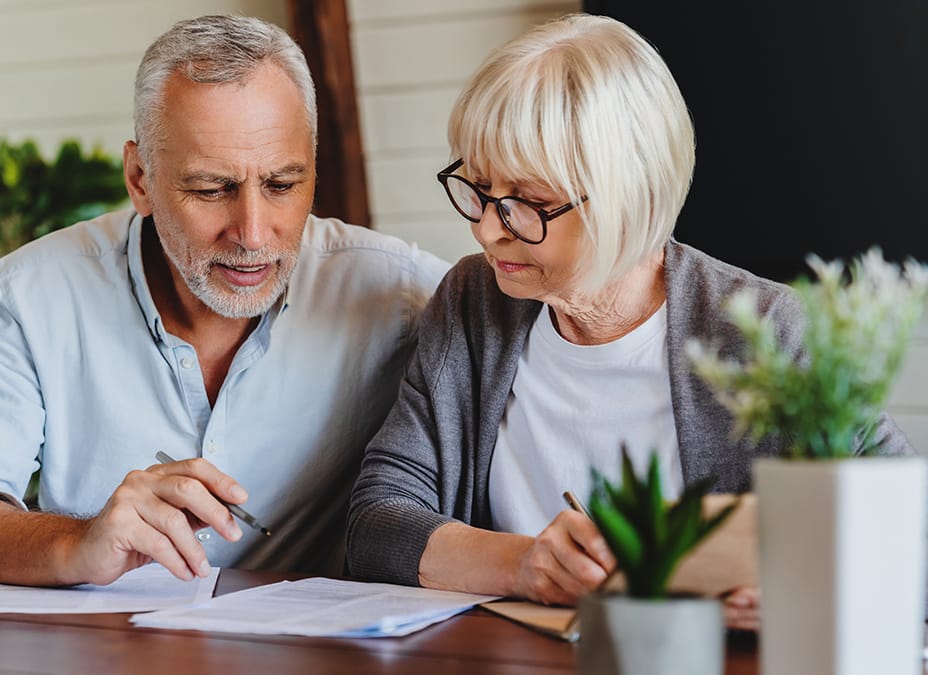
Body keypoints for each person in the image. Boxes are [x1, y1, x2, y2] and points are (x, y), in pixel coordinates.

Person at [345, 13, 913, 632]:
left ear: (627, 194)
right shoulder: (472, 303)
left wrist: (807, 590)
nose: (486, 228)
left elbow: (908, 534)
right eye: (479, 188)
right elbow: (378, 520)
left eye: (527, 203)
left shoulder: (769, 333)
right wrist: (524, 563)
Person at [0, 14, 448, 586]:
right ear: (140, 178)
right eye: (211, 189)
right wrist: (77, 543)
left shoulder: (400, 293)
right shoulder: (30, 295)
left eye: (282, 185)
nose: (253, 233)